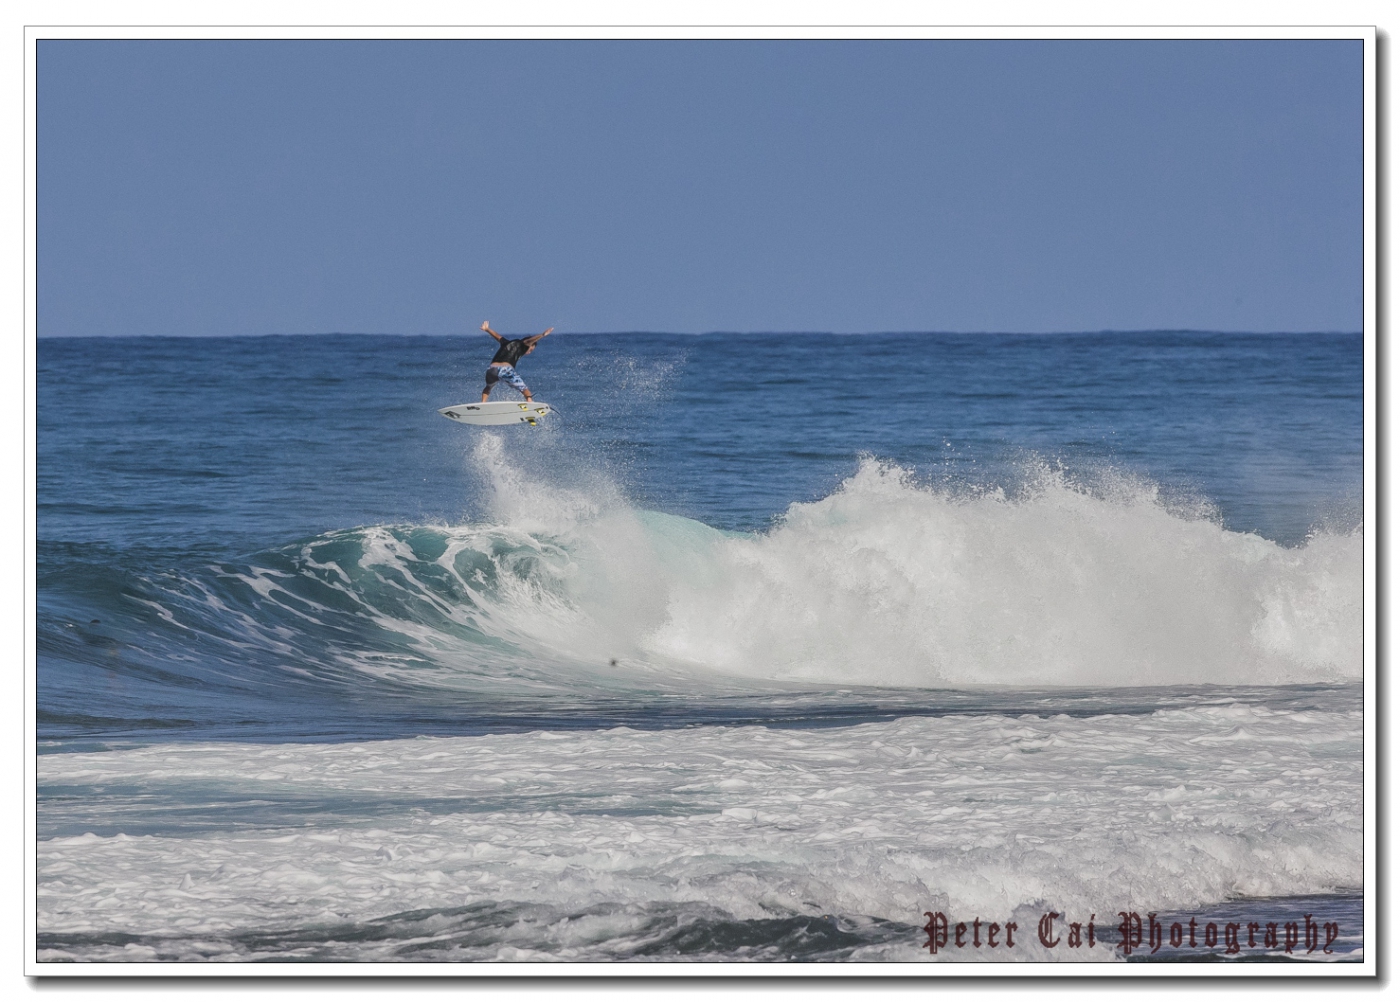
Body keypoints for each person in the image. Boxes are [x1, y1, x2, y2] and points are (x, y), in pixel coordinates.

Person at [479, 321, 553, 402]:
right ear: (529, 345)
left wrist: (487, 329)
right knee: (525, 390)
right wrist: (542, 335)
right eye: (530, 350)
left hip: (491, 369)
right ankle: (530, 403)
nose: (528, 353)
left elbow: (497, 336)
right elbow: (529, 341)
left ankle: (482, 404)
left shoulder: (507, 342)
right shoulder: (523, 345)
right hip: (505, 369)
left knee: (488, 387)